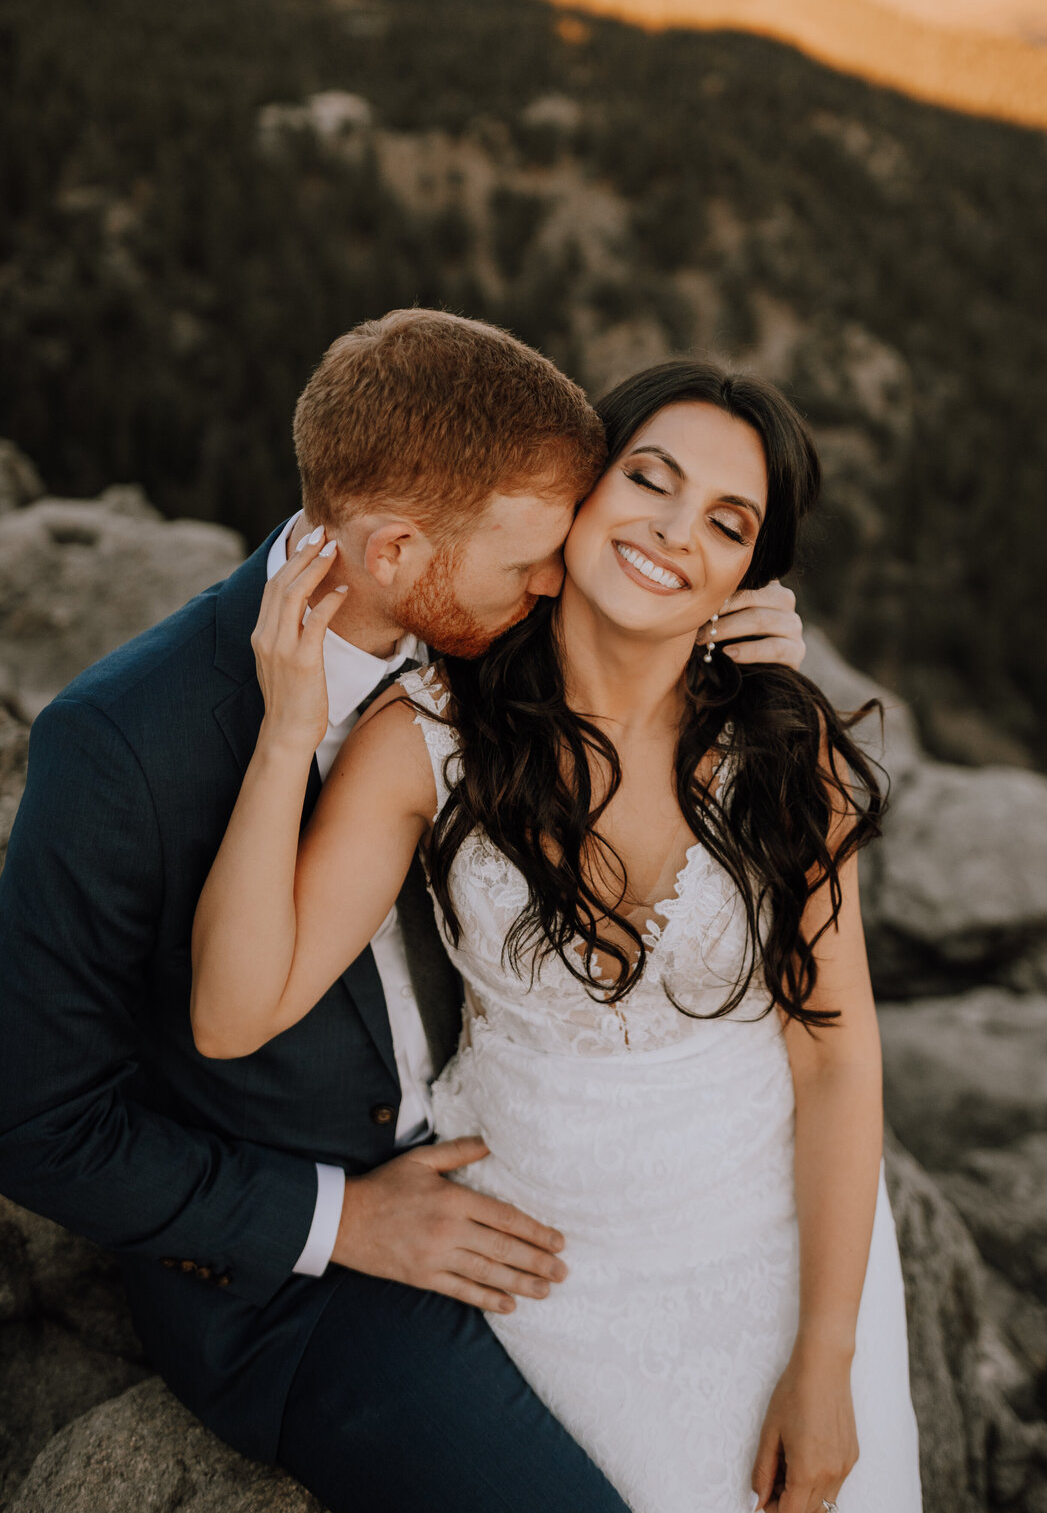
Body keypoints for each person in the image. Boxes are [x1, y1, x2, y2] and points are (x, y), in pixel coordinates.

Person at [0, 311, 811, 1513]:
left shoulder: (480, 621)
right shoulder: (121, 747)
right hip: (305, 1289)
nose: (557, 580)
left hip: (553, 1168)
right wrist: (340, 1223)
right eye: (531, 559)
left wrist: (732, 645)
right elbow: (33, 1124)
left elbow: (628, 657)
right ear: (391, 554)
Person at [189, 354, 924, 1513]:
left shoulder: (785, 753)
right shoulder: (428, 735)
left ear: (748, 570)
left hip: (776, 1247)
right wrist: (289, 740)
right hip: (549, 1271)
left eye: (727, 522)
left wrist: (826, 1356)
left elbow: (834, 1054)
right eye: (650, 479)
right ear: (581, 491)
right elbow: (233, 1013)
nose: (676, 533)